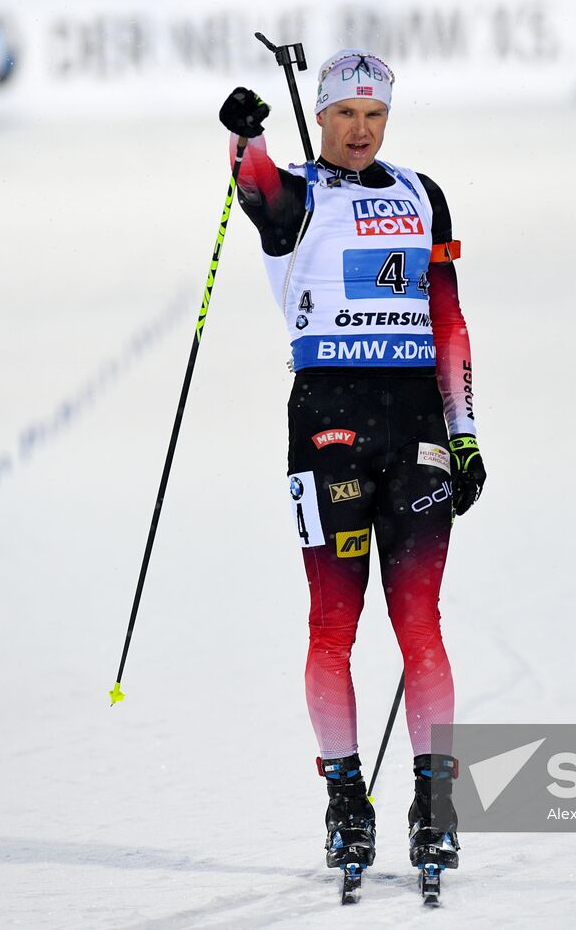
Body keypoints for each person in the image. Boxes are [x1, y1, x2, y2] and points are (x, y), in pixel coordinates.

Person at [218, 49, 487, 878]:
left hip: (414, 427)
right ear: (324, 116)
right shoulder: (294, 193)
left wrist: (466, 429)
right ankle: (344, 800)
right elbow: (256, 185)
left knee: (422, 627)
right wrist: (244, 135)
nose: (361, 129)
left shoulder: (421, 192)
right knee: (332, 625)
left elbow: (448, 318)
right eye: (345, 114)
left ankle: (433, 801)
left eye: (375, 115)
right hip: (327, 424)